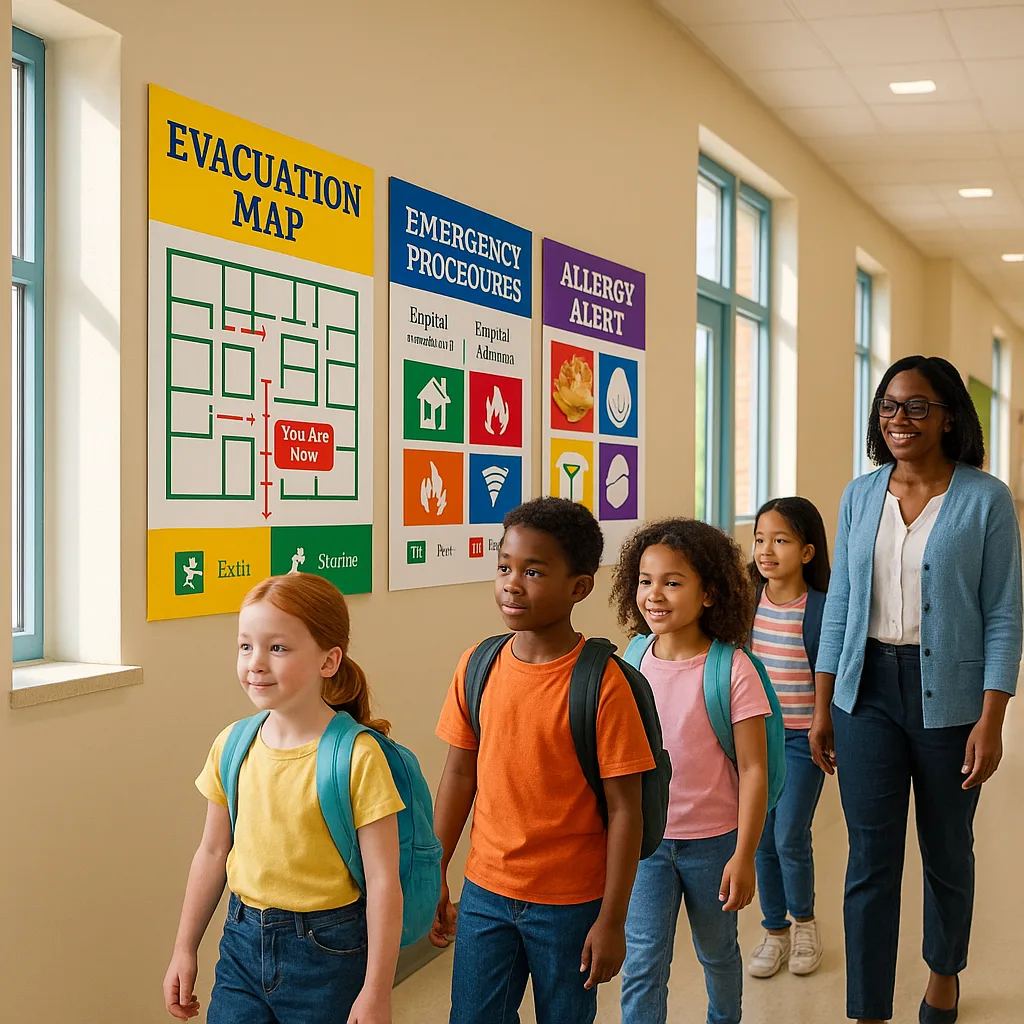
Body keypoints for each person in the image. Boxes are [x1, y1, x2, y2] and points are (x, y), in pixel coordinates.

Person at [810, 355, 1023, 1024]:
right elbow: (840, 601)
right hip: (864, 690)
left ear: (948, 415)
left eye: (917, 406)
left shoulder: (985, 498)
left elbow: (1004, 614)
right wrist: (823, 704)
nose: (900, 419)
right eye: (890, 406)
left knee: (946, 848)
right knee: (870, 858)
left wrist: (992, 718)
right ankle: (868, 1009)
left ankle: (942, 974)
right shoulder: (859, 494)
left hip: (950, 701)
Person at [430, 497, 655, 1024]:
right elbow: (459, 774)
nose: (512, 583)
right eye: (504, 567)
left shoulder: (603, 683)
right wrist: (434, 869)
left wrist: (613, 919)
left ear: (579, 587)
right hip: (485, 893)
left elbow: (627, 810)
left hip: (571, 904)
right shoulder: (478, 664)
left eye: (533, 571)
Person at [162, 574, 405, 1024]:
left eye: (278, 648)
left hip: (329, 953)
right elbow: (213, 852)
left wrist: (376, 991)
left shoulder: (358, 756)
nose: (256, 663)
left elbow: (384, 884)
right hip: (240, 944)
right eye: (245, 646)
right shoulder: (233, 744)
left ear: (328, 661)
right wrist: (184, 947)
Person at [611, 518, 770, 1024]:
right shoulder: (631, 660)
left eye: (672, 582)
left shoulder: (732, 668)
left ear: (709, 595)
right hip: (647, 846)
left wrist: (744, 856)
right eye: (644, 580)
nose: (654, 595)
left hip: (715, 846)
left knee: (718, 954)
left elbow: (754, 769)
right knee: (642, 964)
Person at [746, 497, 831, 980]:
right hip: (755, 742)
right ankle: (774, 931)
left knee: (789, 835)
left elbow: (825, 671)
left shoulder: (818, 608)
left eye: (780, 540)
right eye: (760, 539)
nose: (766, 550)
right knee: (759, 838)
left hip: (800, 740)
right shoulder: (746, 605)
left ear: (806, 552)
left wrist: (824, 723)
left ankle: (804, 924)